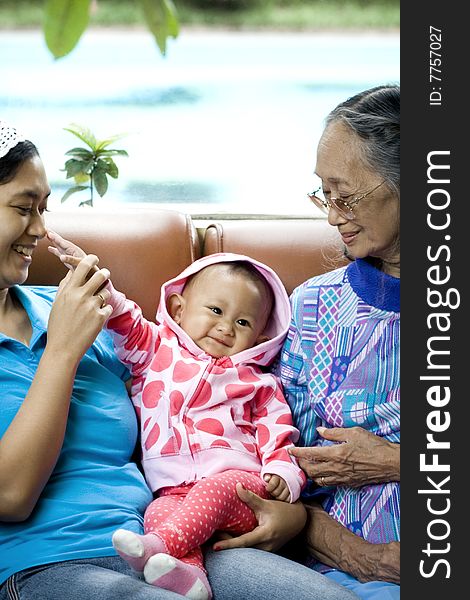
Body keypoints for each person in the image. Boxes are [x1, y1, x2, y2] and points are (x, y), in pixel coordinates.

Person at [0, 120, 358, 600]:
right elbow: (11, 498)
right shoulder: (71, 322)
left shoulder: (70, 305)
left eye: (45, 209)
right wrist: (62, 350)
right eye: (25, 208)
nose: (42, 230)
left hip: (184, 541)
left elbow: (178, 383)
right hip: (48, 559)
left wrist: (292, 512)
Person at [214, 84, 400, 600]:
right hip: (326, 565)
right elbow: (276, 455)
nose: (332, 213)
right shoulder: (315, 306)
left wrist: (395, 460)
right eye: (325, 192)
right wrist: (351, 552)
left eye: (348, 194)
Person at [48, 232, 307, 600]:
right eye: (216, 311)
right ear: (179, 308)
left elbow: (277, 431)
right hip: (173, 490)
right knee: (157, 511)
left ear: (260, 336)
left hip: (239, 487)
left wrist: (282, 473)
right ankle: (191, 579)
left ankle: (160, 544)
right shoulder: (156, 351)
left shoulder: (256, 382)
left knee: (208, 494)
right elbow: (124, 318)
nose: (225, 327)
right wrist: (97, 283)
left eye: (243, 323)